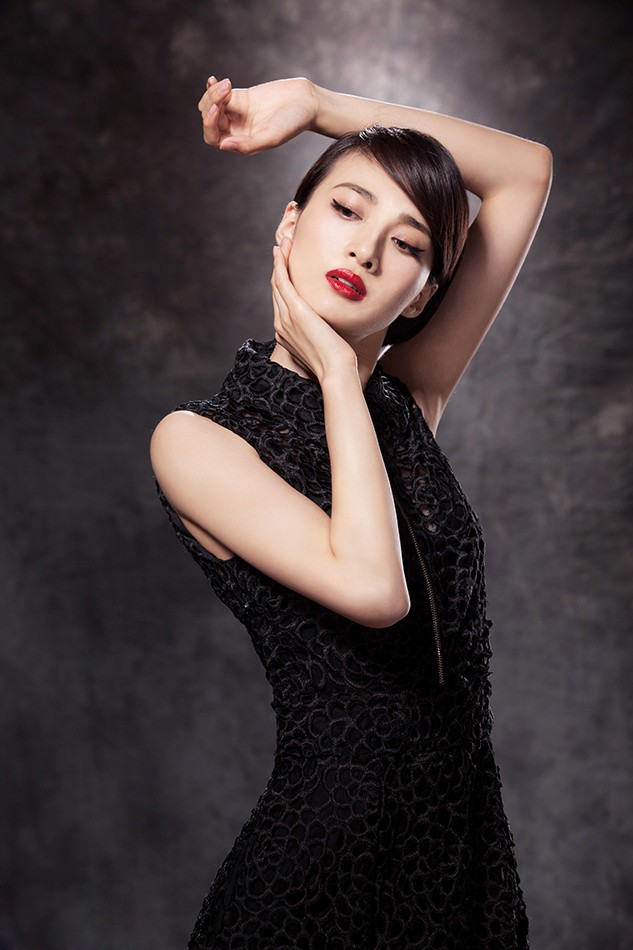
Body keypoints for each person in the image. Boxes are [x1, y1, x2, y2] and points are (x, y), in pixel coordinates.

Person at [150, 75, 552, 949]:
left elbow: (524, 171)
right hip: (314, 885)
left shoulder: (409, 398)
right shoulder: (198, 441)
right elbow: (374, 590)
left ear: (423, 293)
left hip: (465, 870)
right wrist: (335, 371)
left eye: (406, 243)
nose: (366, 250)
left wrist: (318, 105)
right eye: (344, 209)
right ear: (289, 224)